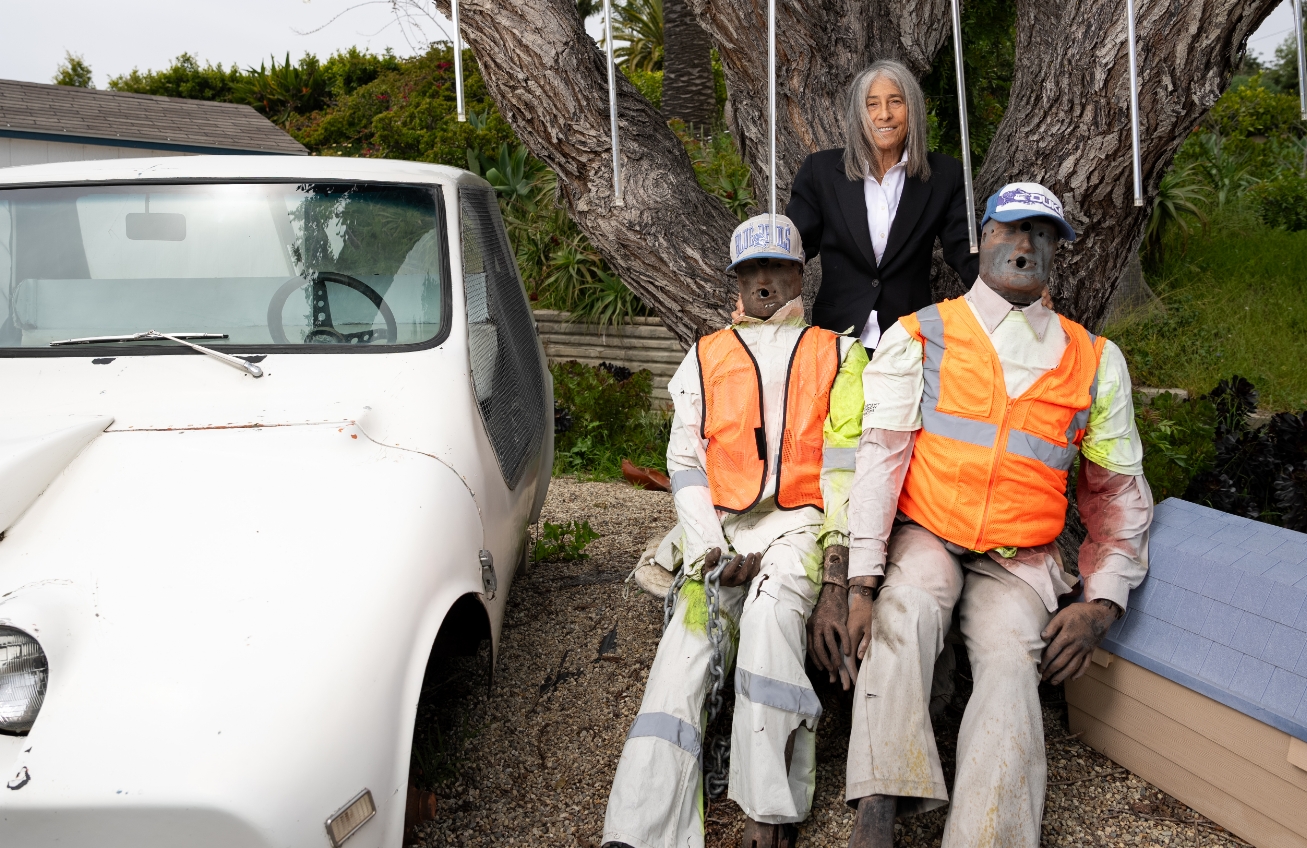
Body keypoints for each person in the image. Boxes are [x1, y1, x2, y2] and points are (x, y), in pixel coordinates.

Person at [809, 183, 1154, 848]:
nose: (1024, 246)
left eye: (1042, 234)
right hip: (926, 535)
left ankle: (987, 836)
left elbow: (1116, 498)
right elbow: (878, 464)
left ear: (1058, 253)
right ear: (981, 240)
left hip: (1019, 559)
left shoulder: (1093, 359)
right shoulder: (920, 336)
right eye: (1010, 229)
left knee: (1008, 661)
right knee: (902, 611)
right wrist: (858, 583)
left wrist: (1102, 604)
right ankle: (876, 807)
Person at [603, 213, 868, 848]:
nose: (766, 280)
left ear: (799, 273)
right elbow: (685, 461)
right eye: (753, 269)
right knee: (687, 645)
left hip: (801, 524)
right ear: (737, 280)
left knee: (773, 621)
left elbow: (846, 471)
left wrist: (836, 566)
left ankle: (768, 808)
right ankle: (640, 826)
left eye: (778, 267)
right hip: (721, 529)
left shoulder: (838, 351)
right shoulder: (704, 356)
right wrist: (709, 550)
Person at [785, 60, 978, 351]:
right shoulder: (820, 170)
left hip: (909, 338)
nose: (884, 114)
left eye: (895, 102)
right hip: (835, 337)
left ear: (912, 108)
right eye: (872, 104)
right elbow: (791, 248)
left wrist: (1012, 297)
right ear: (858, 115)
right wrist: (760, 297)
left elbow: (967, 250)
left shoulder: (944, 175)